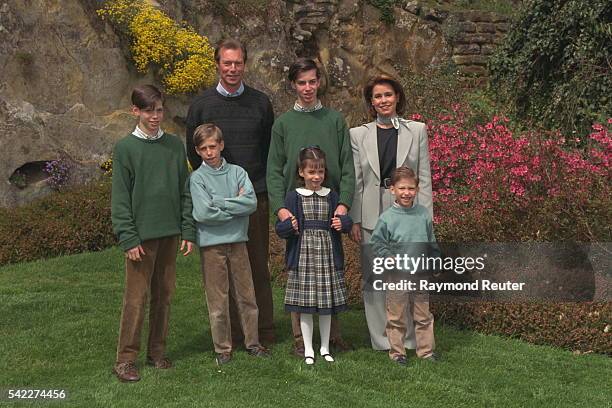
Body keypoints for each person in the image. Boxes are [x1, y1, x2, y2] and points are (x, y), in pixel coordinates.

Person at [186, 39, 275, 346]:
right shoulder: (201, 105)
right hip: (214, 195)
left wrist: (249, 190)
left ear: (244, 65)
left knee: (256, 265)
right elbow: (193, 149)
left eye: (238, 63)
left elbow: (267, 148)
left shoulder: (261, 103)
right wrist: (216, 194)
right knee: (221, 271)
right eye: (227, 63)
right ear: (217, 64)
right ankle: (232, 335)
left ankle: (262, 332)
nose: (232, 69)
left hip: (254, 195)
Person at [266, 58, 355, 357]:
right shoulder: (283, 124)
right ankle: (299, 340)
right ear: (293, 84)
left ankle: (334, 338)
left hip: (329, 209)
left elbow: (347, 167)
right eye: (301, 82)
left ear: (319, 82)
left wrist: (343, 204)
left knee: (329, 270)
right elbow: (274, 170)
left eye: (312, 81)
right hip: (296, 209)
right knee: (300, 272)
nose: (307, 88)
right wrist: (280, 208)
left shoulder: (334, 121)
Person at [111, 84, 195, 382]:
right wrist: (128, 237)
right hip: (141, 238)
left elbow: (185, 191)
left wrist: (188, 229)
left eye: (159, 110)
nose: (155, 116)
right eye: (149, 110)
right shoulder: (125, 149)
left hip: (170, 234)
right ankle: (125, 360)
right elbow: (120, 198)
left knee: (164, 295)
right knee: (136, 299)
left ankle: (157, 352)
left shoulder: (174, 146)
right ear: (135, 111)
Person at [349, 74, 433, 351]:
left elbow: (424, 177)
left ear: (397, 97)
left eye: (388, 95)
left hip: (408, 212)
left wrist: (426, 221)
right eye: (377, 96)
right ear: (371, 103)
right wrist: (356, 219)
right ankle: (382, 340)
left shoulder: (417, 130)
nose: (383, 100)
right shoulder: (358, 134)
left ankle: (407, 339)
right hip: (372, 210)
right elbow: (358, 181)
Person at [189, 123, 270, 365]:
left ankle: (253, 342)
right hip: (211, 246)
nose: (209, 152)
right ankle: (222, 348)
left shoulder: (237, 172)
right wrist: (234, 206)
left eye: (213, 146)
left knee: (247, 296)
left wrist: (219, 202)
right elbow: (203, 213)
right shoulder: (197, 178)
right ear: (197, 151)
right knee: (218, 299)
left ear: (221, 145)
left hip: (238, 242)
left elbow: (250, 204)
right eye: (203, 148)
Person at [275, 147, 352, 364]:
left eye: (320, 172)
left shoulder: (332, 196)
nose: (316, 176)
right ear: (301, 172)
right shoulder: (293, 197)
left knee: (326, 307)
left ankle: (325, 347)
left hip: (327, 257)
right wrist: (289, 226)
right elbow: (280, 229)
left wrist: (343, 223)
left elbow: (344, 223)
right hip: (303, 259)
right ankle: (308, 348)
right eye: (311, 172)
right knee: (305, 306)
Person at [369, 166, 438, 365]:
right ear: (393, 190)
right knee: (396, 316)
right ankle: (397, 353)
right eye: (402, 188)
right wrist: (387, 256)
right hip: (397, 274)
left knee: (423, 314)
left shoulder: (423, 214)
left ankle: (425, 351)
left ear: (417, 189)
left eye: (410, 188)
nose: (406, 193)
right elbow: (377, 243)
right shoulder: (387, 218)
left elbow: (431, 240)